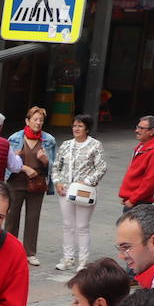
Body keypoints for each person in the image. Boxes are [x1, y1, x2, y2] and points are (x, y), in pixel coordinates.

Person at [51, 114, 106, 272]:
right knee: (68, 225)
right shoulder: (66, 145)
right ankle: (68, 258)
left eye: (80, 126)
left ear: (87, 129)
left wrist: (87, 181)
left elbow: (101, 168)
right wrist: (57, 182)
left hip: (84, 190)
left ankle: (83, 261)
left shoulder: (95, 145)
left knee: (82, 226)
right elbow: (56, 166)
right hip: (65, 190)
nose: (76, 128)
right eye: (75, 125)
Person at [4, 106, 55, 266]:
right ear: (27, 121)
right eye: (35, 119)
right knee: (12, 217)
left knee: (33, 217)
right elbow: (7, 163)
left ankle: (30, 253)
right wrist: (22, 165)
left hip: (37, 183)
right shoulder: (14, 138)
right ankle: (8, 250)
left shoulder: (48, 140)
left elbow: (53, 166)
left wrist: (45, 160)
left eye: (41, 120)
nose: (38, 123)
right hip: (16, 181)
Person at [119, 115, 154, 209]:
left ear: (151, 132)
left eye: (141, 128)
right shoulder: (141, 147)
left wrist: (133, 200)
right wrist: (126, 196)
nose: (136, 130)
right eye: (137, 127)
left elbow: (150, 180)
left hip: (139, 202)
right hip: (133, 199)